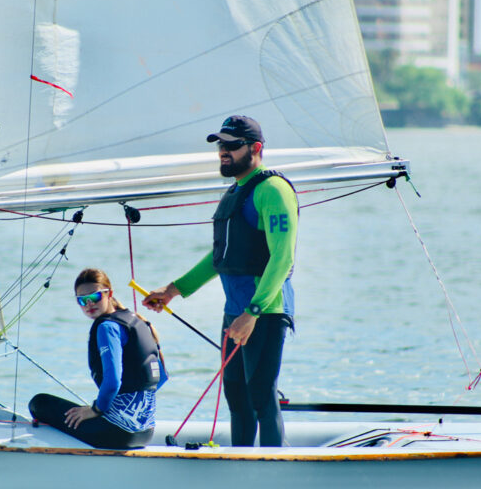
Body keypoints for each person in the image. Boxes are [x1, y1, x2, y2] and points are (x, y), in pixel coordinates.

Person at [142, 115, 297, 447]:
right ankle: (241, 462)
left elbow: (282, 258)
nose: (223, 151)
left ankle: (274, 464)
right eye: (220, 145)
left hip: (265, 312)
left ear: (256, 148)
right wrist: (173, 290)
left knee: (260, 395)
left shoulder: (273, 190)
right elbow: (221, 256)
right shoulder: (235, 192)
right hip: (236, 311)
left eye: (232, 145)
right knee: (237, 398)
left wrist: (253, 312)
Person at [29, 268, 167, 449]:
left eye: (95, 297)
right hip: (146, 432)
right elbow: (161, 378)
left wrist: (96, 410)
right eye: (82, 300)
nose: (89, 304)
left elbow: (112, 382)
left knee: (39, 403)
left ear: (109, 294)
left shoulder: (107, 327)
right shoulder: (138, 321)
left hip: (116, 432)